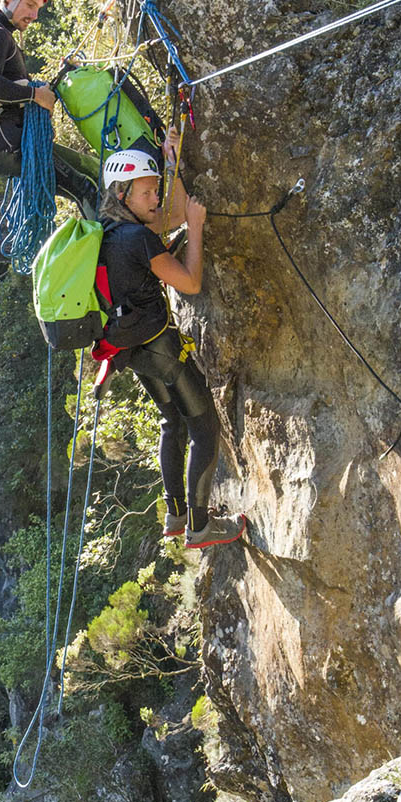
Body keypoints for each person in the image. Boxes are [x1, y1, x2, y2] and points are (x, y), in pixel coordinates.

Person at [96, 143, 246, 549]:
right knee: (204, 426)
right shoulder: (137, 238)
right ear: (123, 194)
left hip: (134, 352)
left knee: (171, 423)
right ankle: (199, 526)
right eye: (146, 193)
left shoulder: (105, 232)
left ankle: (175, 512)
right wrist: (194, 227)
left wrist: (171, 158)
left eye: (155, 190)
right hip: (161, 349)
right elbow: (191, 283)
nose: (155, 199)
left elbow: (161, 228)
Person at [0, 0, 99, 218]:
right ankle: (117, 251)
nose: (34, 15)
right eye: (30, 5)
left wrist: (45, 86)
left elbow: (10, 85)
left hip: (6, 140)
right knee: (86, 187)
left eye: (37, 8)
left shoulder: (0, 34)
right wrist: (35, 95)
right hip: (8, 144)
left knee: (92, 170)